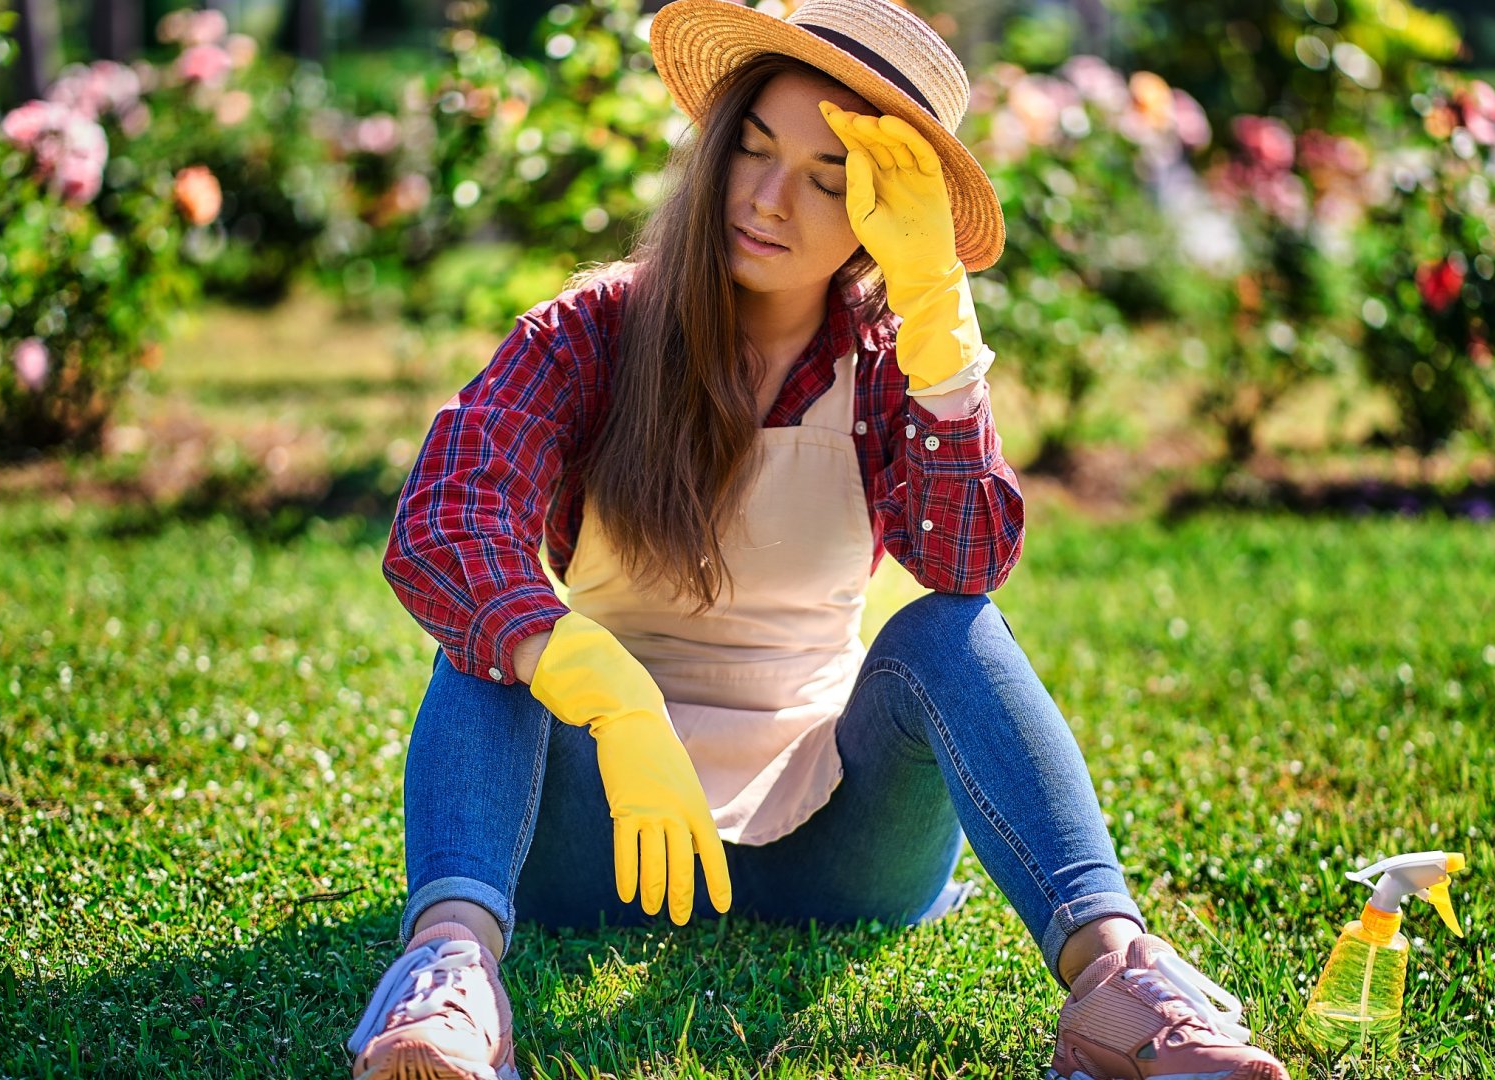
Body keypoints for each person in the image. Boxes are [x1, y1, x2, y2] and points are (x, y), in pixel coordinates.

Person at [345, 1, 1289, 1078]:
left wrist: (937, 311)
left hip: (837, 851)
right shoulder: (590, 333)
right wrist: (605, 688)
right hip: (594, 838)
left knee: (951, 630)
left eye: (832, 179)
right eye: (752, 151)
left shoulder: (890, 360)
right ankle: (453, 980)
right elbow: (444, 521)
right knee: (488, 641)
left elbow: (965, 560)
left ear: (884, 210)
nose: (769, 198)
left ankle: (1122, 984)